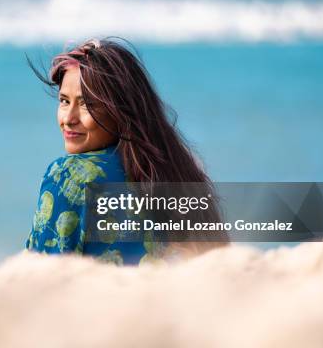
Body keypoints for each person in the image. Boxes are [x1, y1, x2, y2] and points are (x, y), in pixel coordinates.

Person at [24, 37, 229, 265]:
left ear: (120, 110)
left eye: (87, 104)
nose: (69, 119)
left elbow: (42, 270)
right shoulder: (175, 172)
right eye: (64, 101)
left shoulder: (69, 175)